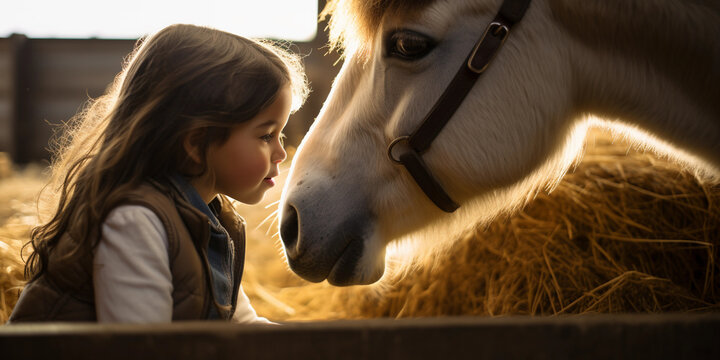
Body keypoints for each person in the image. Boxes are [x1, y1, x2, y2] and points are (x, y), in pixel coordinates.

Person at [8, 24, 309, 323]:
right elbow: (145, 348)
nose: (281, 153)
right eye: (266, 136)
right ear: (195, 142)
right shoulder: (134, 221)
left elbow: (240, 326)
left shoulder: (207, 221)